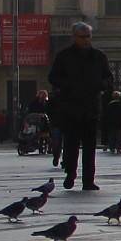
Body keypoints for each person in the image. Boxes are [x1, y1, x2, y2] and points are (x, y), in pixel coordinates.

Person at [48, 21, 112, 190]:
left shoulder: (99, 56)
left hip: (91, 108)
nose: (86, 40)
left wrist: (101, 85)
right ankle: (70, 173)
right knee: (71, 145)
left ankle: (88, 180)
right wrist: (67, 86)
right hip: (71, 108)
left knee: (90, 147)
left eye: (88, 36)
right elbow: (53, 77)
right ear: (74, 37)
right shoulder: (64, 56)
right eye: (82, 37)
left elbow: (108, 77)